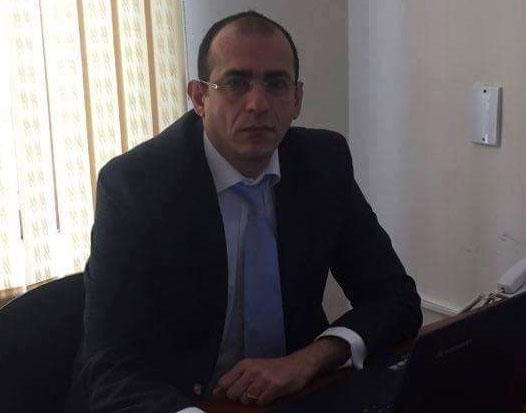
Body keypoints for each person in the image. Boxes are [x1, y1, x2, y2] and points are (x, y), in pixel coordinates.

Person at [67, 10, 422, 413]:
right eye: (235, 83)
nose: (257, 104)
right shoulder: (135, 186)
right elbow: (107, 367)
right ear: (199, 98)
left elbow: (396, 300)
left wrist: (310, 358)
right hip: (180, 402)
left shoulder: (323, 163)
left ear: (296, 99)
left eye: (276, 84)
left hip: (293, 396)